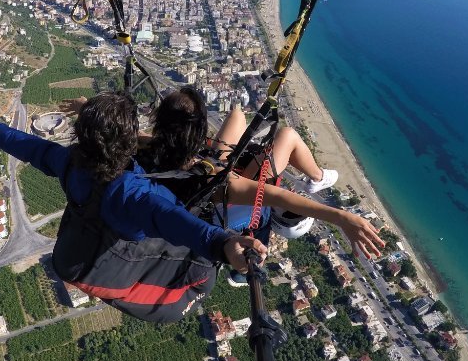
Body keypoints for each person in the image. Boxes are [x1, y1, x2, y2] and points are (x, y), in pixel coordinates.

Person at [0, 92, 266, 324]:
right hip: (105, 274)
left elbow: (34, 148)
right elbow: (172, 219)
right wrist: (221, 243)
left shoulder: (72, 163)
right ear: (130, 141)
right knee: (203, 269)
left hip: (69, 254)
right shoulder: (131, 194)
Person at [60, 88, 385, 259]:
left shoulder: (239, 193)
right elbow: (282, 198)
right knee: (246, 120)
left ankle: (318, 176)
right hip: (205, 176)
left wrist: (342, 218)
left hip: (210, 174)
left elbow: (281, 197)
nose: (291, 200)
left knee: (272, 130)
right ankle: (317, 177)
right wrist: (342, 217)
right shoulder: (242, 199)